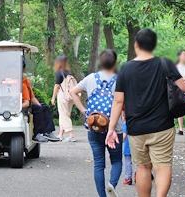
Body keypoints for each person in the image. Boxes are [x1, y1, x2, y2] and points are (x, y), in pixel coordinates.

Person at [106, 29, 185, 197]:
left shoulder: (125, 69)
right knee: (162, 166)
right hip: (162, 126)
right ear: (153, 45)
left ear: (136, 45)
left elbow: (118, 101)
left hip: (136, 129)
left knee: (142, 167)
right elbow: (182, 88)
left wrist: (111, 129)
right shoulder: (165, 64)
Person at [70, 49, 123, 197]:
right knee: (117, 161)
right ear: (115, 63)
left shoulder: (90, 78)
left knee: (99, 164)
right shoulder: (120, 79)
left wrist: (84, 111)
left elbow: (73, 92)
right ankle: (112, 184)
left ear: (101, 62)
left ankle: (102, 196)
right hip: (115, 128)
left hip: (94, 127)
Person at [22, 58, 60, 143]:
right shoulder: (11, 81)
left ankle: (48, 132)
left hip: (27, 104)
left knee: (44, 107)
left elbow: (32, 97)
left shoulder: (25, 81)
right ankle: (37, 134)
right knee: (38, 109)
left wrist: (39, 105)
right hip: (19, 105)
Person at [51, 55, 76, 142]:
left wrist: (53, 98)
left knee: (63, 115)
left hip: (63, 96)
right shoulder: (68, 72)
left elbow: (57, 86)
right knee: (65, 114)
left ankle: (71, 134)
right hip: (71, 96)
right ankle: (61, 134)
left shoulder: (59, 72)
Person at [122, 118, 134, 186]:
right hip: (135, 146)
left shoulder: (125, 124)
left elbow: (123, 136)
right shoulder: (134, 122)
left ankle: (128, 178)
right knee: (138, 163)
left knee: (128, 163)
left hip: (127, 147)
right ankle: (138, 176)